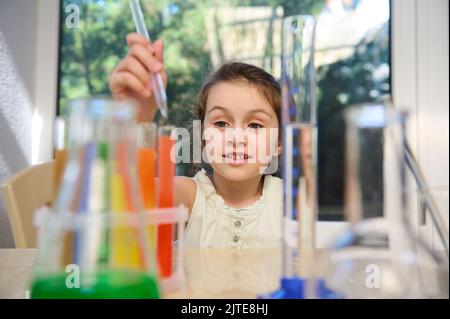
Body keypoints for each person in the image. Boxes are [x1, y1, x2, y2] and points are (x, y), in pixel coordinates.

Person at [109, 33, 282, 248]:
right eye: (221, 124)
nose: (236, 138)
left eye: (255, 125)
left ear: (278, 143)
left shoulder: (289, 203)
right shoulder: (190, 196)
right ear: (202, 137)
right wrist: (136, 116)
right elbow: (130, 198)